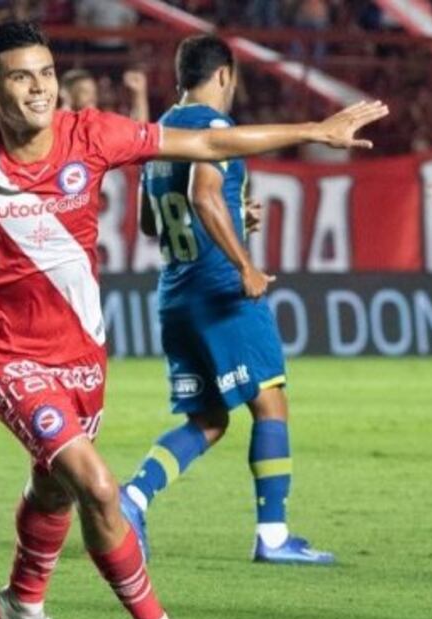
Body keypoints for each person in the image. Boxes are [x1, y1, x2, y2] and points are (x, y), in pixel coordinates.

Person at [0, 21, 386, 619]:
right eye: (20, 77)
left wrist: (315, 130)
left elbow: (207, 145)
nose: (39, 88)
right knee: (96, 485)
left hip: (81, 353)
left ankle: (21, 602)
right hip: (3, 355)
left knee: (54, 488)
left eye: (46, 73)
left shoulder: (91, 134)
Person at [118, 35, 333, 566]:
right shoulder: (215, 127)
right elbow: (203, 195)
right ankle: (274, 536)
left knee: (210, 420)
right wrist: (244, 264)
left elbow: (149, 221)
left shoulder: (160, 131)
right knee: (270, 402)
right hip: (220, 290)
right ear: (223, 75)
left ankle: (133, 497)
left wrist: (236, 219)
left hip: (176, 293)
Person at [60, 67, 149, 123]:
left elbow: (138, 132)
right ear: (65, 93)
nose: (92, 97)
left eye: (94, 92)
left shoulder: (98, 123)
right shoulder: (56, 123)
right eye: (84, 91)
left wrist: (139, 94)